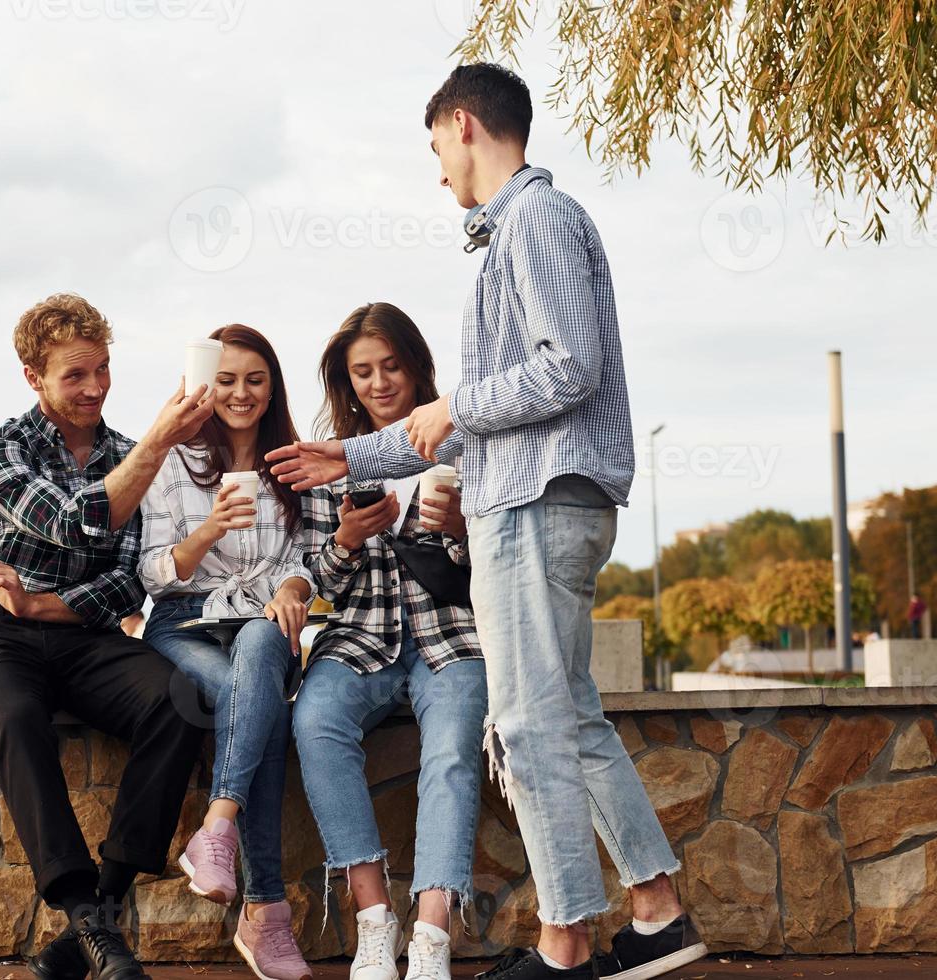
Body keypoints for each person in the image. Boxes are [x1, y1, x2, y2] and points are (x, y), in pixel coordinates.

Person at [267, 65, 705, 980]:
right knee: (569, 718)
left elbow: (567, 368)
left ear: (464, 125)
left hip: (539, 504)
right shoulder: (523, 230)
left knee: (525, 725)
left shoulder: (536, 220)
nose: (439, 172)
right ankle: (657, 912)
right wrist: (346, 458)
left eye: (436, 148)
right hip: (542, 497)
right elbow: (465, 421)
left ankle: (565, 942)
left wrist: (456, 406)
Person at [0, 293, 215, 980]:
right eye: (75, 375)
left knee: (182, 698)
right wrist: (161, 442)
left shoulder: (130, 456)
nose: (95, 387)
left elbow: (131, 581)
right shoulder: (0, 454)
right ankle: (81, 909)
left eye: (102, 369)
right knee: (13, 716)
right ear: (32, 375)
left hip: (84, 636)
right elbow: (78, 521)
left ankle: (101, 909)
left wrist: (46, 605)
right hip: (3, 640)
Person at [291, 303, 488, 980]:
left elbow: (501, 563)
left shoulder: (462, 444)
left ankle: (431, 932)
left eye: (391, 366)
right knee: (315, 720)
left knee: (456, 746)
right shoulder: (330, 461)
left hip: (451, 637)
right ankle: (374, 920)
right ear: (347, 383)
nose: (379, 383)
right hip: (359, 638)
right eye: (362, 372)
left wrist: (464, 528)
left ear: (416, 366)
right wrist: (346, 540)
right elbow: (317, 580)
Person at [138, 324, 316, 980]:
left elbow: (311, 560)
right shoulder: (173, 461)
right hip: (186, 623)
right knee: (261, 703)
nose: (240, 393)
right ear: (205, 385)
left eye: (255, 379)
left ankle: (218, 828)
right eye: (227, 379)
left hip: (264, 623)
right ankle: (266, 910)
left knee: (264, 646)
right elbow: (153, 574)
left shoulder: (294, 463)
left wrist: (296, 587)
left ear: (272, 389)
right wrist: (209, 526)